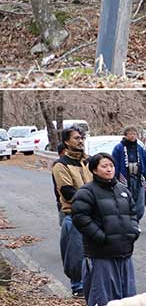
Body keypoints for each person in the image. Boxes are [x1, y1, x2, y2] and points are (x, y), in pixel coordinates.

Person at [72, 152, 139, 306]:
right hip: (100, 250)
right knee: (103, 288)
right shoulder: (86, 192)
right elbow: (80, 218)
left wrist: (133, 231)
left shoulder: (122, 189)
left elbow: (133, 213)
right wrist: (100, 237)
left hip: (124, 247)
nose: (109, 169)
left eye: (111, 165)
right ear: (94, 169)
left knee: (126, 285)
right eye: (104, 166)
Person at [52, 126, 90, 297]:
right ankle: (77, 286)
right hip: (73, 215)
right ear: (66, 142)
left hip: (93, 213)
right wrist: (90, 199)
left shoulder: (88, 162)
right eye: (76, 138)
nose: (80, 140)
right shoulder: (61, 166)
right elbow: (67, 191)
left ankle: (91, 282)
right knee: (75, 254)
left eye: (81, 137)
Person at [112, 126, 146, 222]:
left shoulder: (139, 148)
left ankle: (136, 219)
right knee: (125, 200)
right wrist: (115, 177)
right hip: (125, 178)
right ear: (125, 135)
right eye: (130, 134)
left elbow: (145, 161)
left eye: (134, 134)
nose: (132, 136)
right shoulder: (119, 148)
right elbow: (115, 163)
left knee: (139, 200)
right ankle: (127, 220)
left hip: (138, 177)